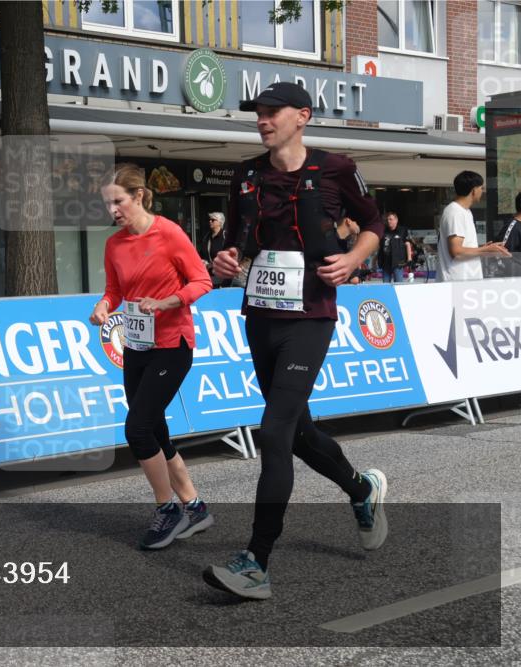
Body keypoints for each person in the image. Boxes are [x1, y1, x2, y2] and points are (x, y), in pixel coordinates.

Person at [205, 82, 388, 600]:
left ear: (302, 116)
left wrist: (355, 258)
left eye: (271, 112)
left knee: (274, 430)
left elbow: (373, 222)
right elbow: (235, 241)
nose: (262, 120)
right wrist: (225, 259)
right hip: (261, 316)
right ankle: (361, 488)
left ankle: (256, 562)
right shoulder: (246, 174)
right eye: (257, 113)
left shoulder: (335, 167)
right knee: (298, 432)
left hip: (310, 318)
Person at [88, 163, 214, 550]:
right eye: (108, 204)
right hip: (137, 347)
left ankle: (167, 509)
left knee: (137, 429)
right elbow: (114, 289)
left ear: (139, 195)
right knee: (154, 429)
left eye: (119, 201)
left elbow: (202, 281)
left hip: (173, 346)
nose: (113, 211)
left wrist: (167, 302)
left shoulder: (169, 234)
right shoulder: (114, 245)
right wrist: (103, 306)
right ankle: (194, 506)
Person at [437, 171, 511, 282]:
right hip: (456, 281)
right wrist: (486, 249)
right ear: (474, 190)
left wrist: (488, 249)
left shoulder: (465, 212)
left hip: (467, 281)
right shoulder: (455, 212)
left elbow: (463, 248)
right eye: (481, 188)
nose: (482, 191)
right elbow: (456, 252)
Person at [378, 212, 413, 283]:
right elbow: (380, 247)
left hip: (398, 263)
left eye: (391, 219)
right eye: (388, 219)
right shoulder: (384, 231)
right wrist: (375, 260)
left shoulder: (402, 230)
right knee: (385, 286)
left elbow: (408, 244)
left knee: (399, 285)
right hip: (386, 263)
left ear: (396, 220)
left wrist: (409, 259)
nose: (389, 221)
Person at [199, 212, 229, 286]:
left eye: (213, 220)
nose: (210, 221)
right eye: (209, 220)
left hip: (222, 277)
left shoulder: (225, 237)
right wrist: (203, 262)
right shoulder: (207, 237)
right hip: (209, 275)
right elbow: (202, 254)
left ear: (219, 222)